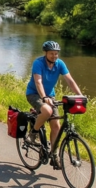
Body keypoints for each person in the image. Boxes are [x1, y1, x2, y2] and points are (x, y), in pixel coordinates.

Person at [26, 40, 83, 169]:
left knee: (56, 125)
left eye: (56, 54)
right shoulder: (38, 63)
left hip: (50, 96)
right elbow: (38, 82)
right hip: (34, 93)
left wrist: (80, 95)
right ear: (45, 53)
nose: (54, 56)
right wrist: (44, 97)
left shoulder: (60, 64)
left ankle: (54, 154)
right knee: (47, 111)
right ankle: (33, 133)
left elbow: (70, 80)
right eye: (51, 53)